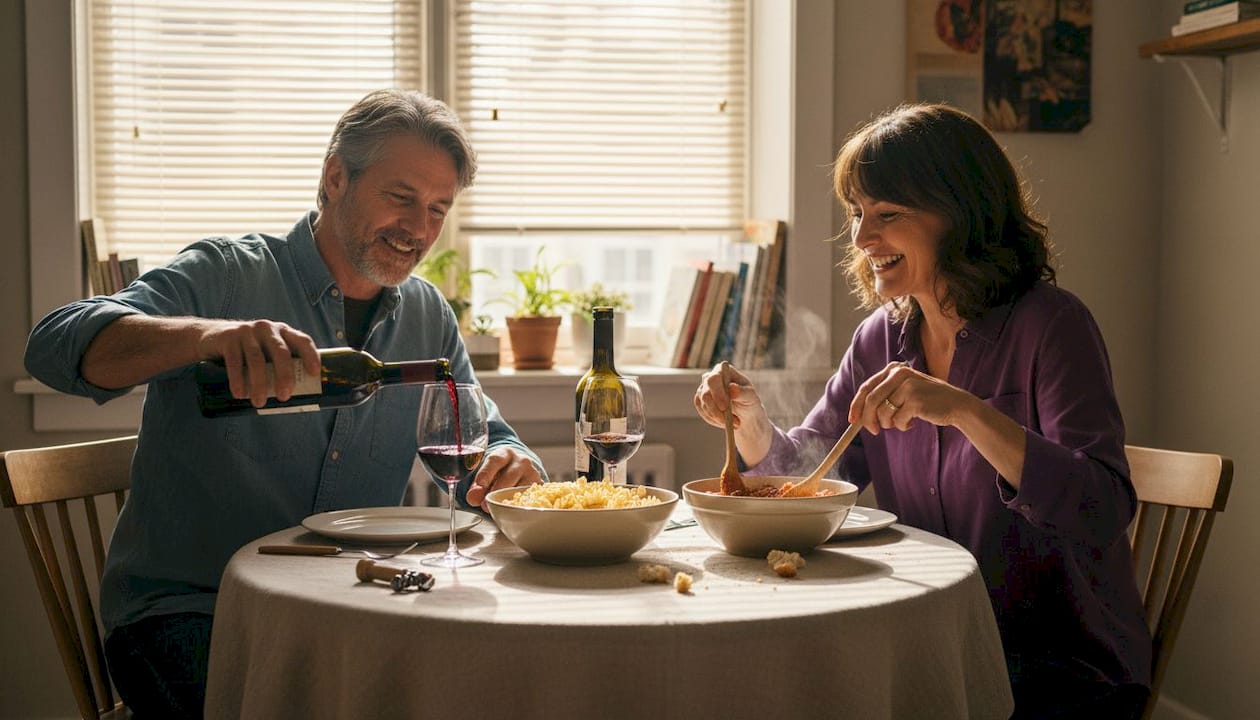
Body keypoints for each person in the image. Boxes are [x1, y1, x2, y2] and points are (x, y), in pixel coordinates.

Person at [24, 89, 544, 718]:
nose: (419, 230)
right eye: (400, 197)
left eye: (438, 209)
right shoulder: (226, 276)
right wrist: (203, 336)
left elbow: (482, 437)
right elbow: (52, 347)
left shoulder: (428, 315)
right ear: (335, 178)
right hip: (191, 614)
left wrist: (510, 463)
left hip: (346, 608)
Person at [692, 104, 1151, 719]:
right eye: (857, 215)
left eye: (887, 215)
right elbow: (810, 472)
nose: (860, 239)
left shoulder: (1052, 325)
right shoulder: (881, 337)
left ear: (961, 216)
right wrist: (749, 422)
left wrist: (966, 411)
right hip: (936, 644)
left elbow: (1103, 506)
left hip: (1055, 664)